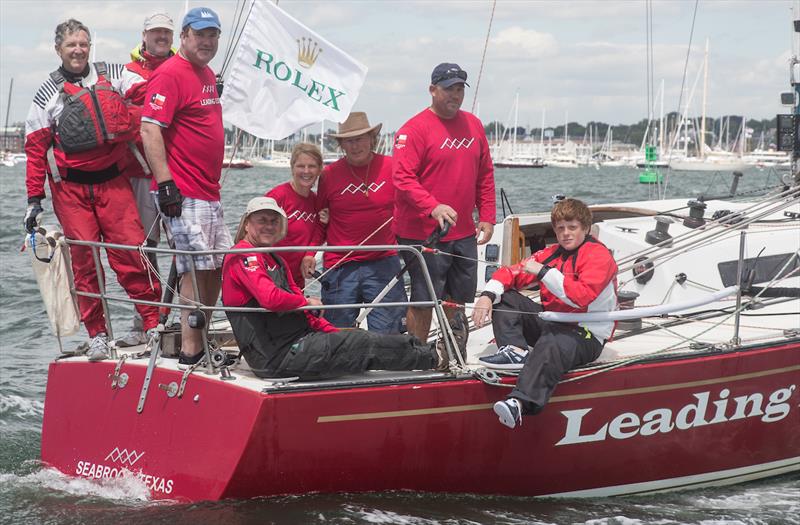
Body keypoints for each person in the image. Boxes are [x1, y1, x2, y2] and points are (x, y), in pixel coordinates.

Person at [23, 18, 161, 360]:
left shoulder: (113, 73)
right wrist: (33, 201)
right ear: (59, 49)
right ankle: (97, 334)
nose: (78, 50)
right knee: (85, 263)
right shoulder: (46, 95)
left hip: (114, 183)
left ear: (89, 46)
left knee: (131, 252)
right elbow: (35, 149)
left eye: (83, 44)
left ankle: (152, 322)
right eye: (71, 45)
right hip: (71, 192)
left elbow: (151, 93)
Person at [221, 197, 441, 380]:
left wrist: (331, 331)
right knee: (362, 343)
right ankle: (434, 357)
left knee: (357, 336)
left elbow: (302, 309)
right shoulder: (243, 255)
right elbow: (270, 298)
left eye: (273, 221)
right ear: (247, 224)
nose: (268, 226)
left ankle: (424, 350)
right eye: (261, 220)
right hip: (275, 357)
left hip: (296, 342)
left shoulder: (275, 259)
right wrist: (307, 302)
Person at [471, 198, 618, 429]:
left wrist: (544, 273)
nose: (565, 234)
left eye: (572, 227)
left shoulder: (599, 257)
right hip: (553, 322)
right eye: (560, 228)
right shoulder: (551, 253)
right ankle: (515, 350)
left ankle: (519, 403)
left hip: (585, 333)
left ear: (586, 229)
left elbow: (581, 296)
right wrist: (488, 295)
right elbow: (512, 273)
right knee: (506, 298)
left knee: (552, 342)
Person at [140, 7, 231, 368]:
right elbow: (149, 128)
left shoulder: (205, 72)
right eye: (200, 34)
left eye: (213, 35)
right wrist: (165, 185)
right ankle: (191, 352)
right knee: (193, 266)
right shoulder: (170, 74)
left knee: (216, 265)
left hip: (209, 192)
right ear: (184, 36)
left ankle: (202, 339)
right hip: (183, 191)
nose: (207, 41)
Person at [392, 62, 496, 345]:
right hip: (423, 231)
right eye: (449, 88)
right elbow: (402, 178)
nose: (455, 95)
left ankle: (452, 355)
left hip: (462, 231)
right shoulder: (413, 130)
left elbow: (485, 173)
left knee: (457, 298)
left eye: (460, 88)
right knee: (425, 298)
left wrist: (487, 214)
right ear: (432, 90)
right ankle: (417, 356)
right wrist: (433, 206)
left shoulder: (473, 124)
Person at [116, 12, 176, 347]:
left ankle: (178, 314)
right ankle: (146, 317)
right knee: (145, 247)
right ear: (144, 35)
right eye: (156, 32)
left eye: (166, 33)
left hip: (177, 172)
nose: (161, 37)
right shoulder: (130, 72)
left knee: (185, 246)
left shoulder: (183, 68)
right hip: (142, 173)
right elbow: (142, 98)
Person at [316, 112, 406, 333]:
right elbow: (318, 217)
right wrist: (309, 253)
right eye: (349, 140)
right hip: (340, 263)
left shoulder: (392, 166)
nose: (355, 146)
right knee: (336, 333)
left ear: (371, 139)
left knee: (389, 333)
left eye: (360, 139)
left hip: (383, 260)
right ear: (342, 144)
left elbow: (412, 200)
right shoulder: (328, 174)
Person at [265, 143, 325, 288]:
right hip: (271, 275)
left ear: (319, 170)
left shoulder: (317, 201)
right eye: (300, 166)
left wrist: (310, 254)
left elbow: (319, 233)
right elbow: (255, 232)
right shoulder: (277, 196)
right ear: (292, 168)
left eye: (311, 166)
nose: (306, 171)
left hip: (297, 279)